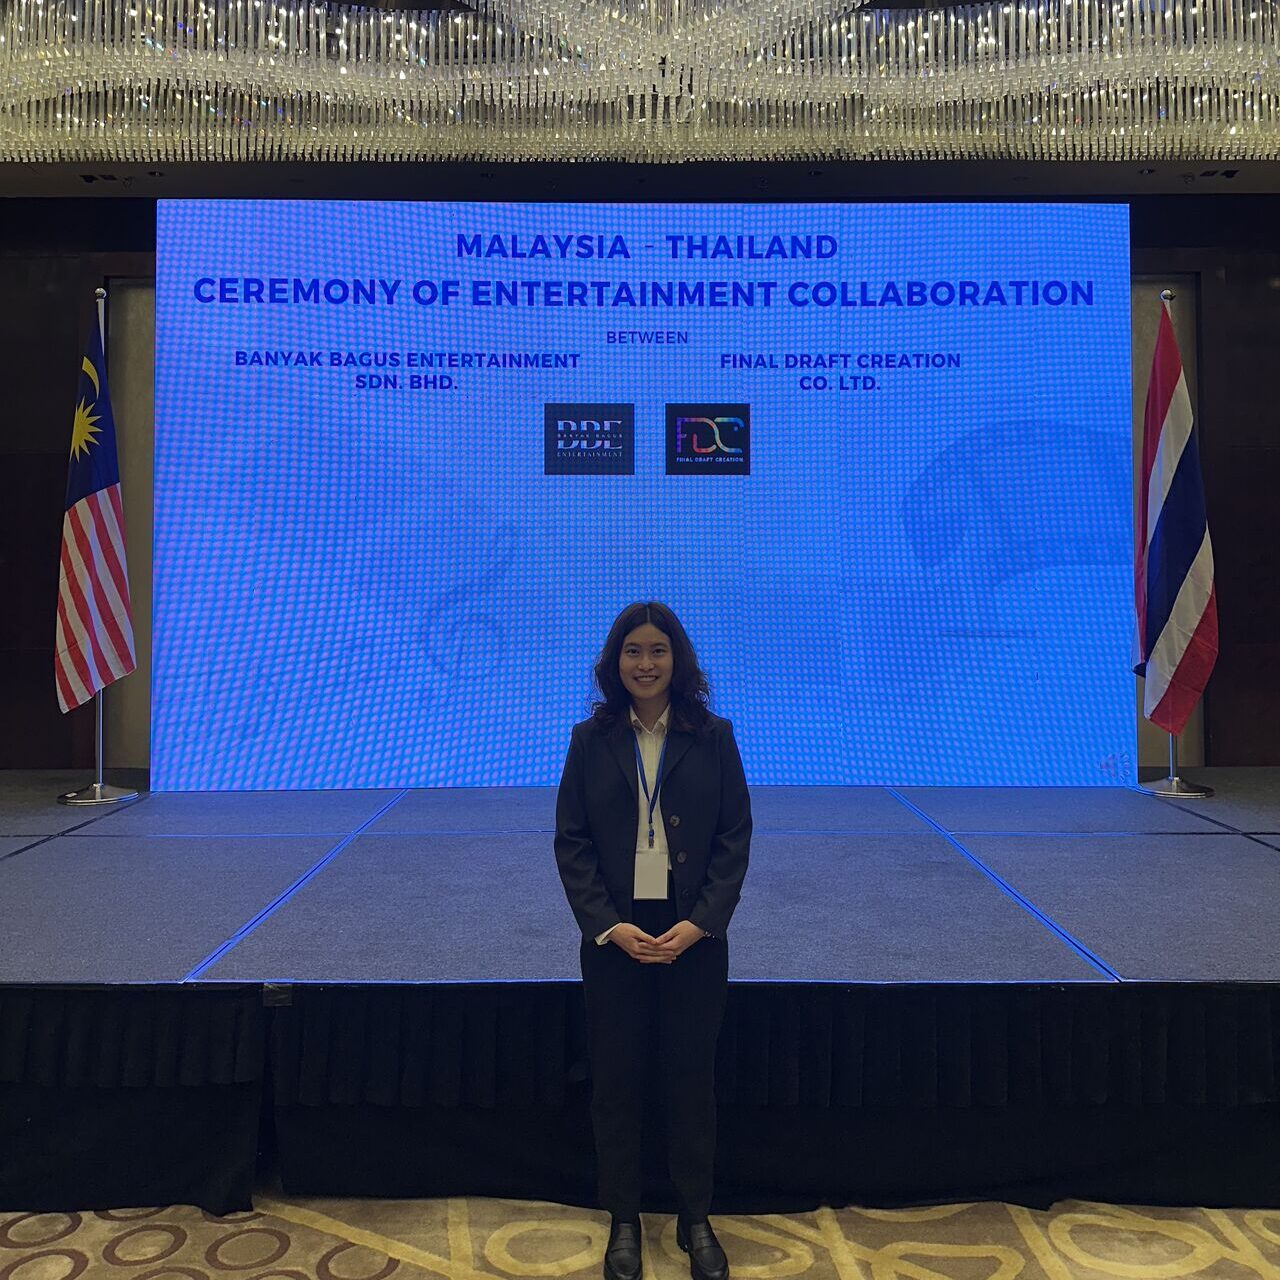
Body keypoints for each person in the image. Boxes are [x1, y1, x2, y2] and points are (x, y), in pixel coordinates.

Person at [554, 601, 752, 1280]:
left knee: (690, 1080)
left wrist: (700, 924)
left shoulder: (713, 735)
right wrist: (608, 927)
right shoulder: (589, 739)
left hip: (693, 931)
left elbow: (734, 839)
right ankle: (624, 1221)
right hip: (616, 934)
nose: (645, 663)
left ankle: (696, 1218)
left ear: (678, 660)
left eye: (657, 651)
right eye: (632, 651)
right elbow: (572, 843)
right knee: (616, 1083)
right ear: (615, 662)